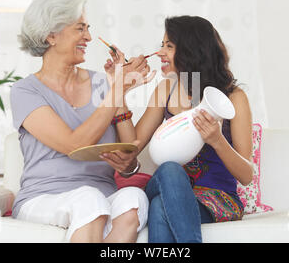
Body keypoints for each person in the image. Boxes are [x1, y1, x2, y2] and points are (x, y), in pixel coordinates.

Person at [10, 0, 154, 243]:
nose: (88, 37)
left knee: (134, 198)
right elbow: (74, 145)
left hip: (102, 195)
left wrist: (128, 163)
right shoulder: (25, 91)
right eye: (80, 29)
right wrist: (117, 89)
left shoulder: (102, 83)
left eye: (88, 29)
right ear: (50, 35)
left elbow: (130, 154)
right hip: (43, 197)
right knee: (88, 199)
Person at [108, 15, 254, 243]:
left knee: (159, 207)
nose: (160, 53)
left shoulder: (234, 98)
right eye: (162, 45)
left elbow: (247, 175)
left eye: (169, 46)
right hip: (166, 182)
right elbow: (132, 146)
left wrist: (217, 140)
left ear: (191, 50)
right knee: (169, 170)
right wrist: (120, 90)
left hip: (218, 198)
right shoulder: (166, 89)